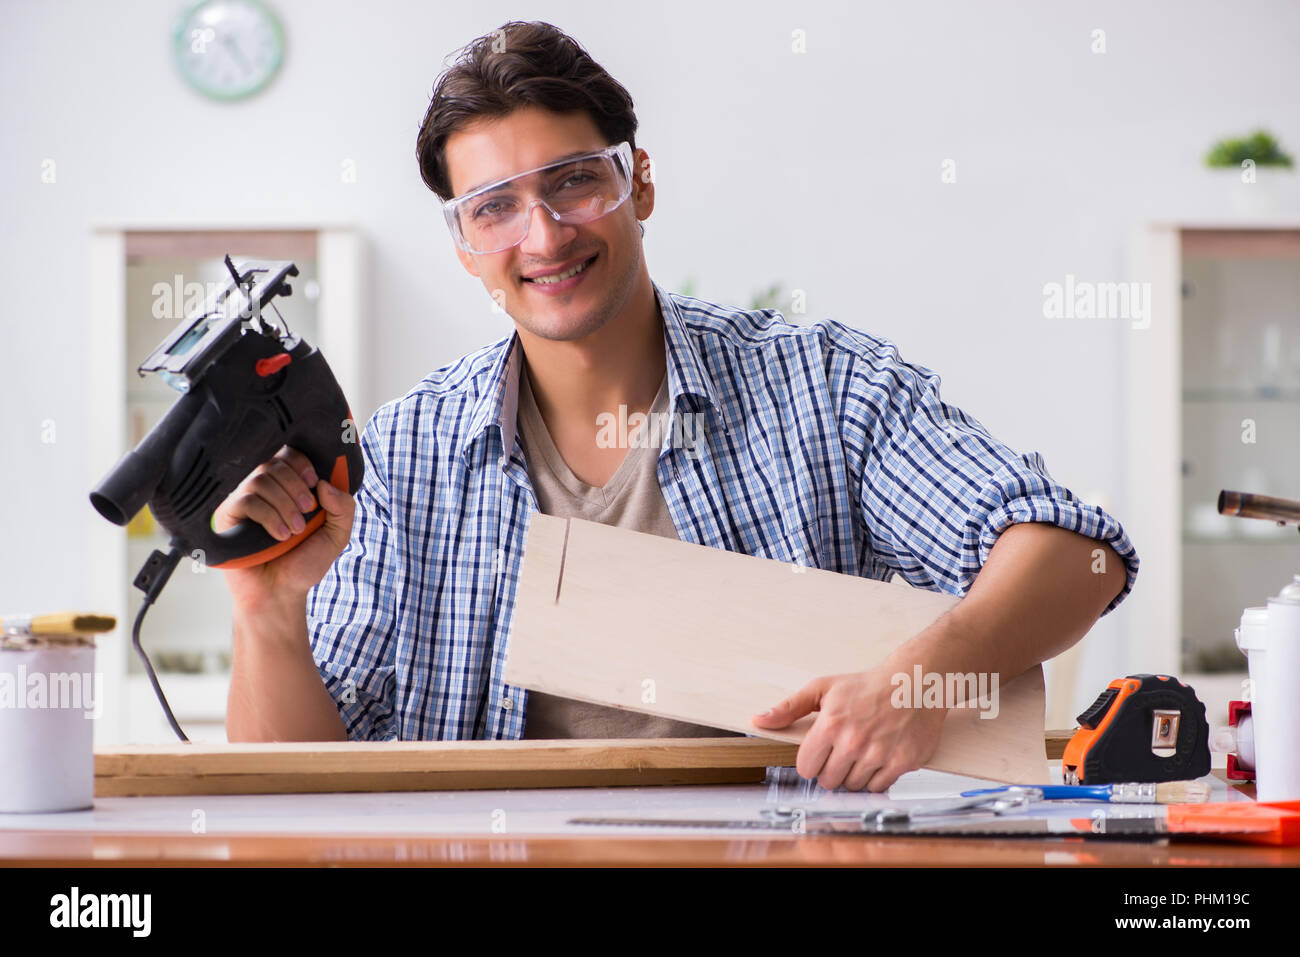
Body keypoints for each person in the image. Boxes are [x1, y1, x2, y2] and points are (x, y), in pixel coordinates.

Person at [217, 20, 1138, 793]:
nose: (543, 235)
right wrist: (266, 615)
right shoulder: (406, 450)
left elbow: (1081, 559)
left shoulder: (822, 387)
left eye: (575, 180)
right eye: (495, 207)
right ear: (464, 242)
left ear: (637, 183)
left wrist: (919, 684)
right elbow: (301, 788)